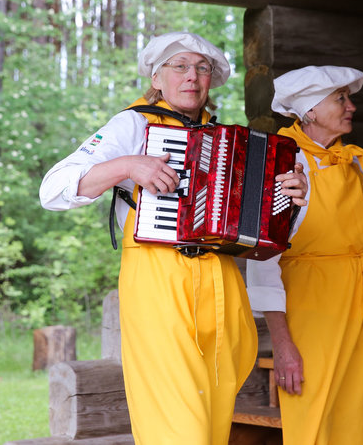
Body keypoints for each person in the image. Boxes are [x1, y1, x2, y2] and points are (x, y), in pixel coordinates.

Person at [39, 31, 307, 445]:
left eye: (202, 69)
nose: (192, 76)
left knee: (214, 424)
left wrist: (289, 200)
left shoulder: (228, 139)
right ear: (157, 78)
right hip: (158, 282)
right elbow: (52, 190)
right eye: (179, 66)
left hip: (221, 286)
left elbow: (265, 233)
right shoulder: (133, 123)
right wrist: (129, 164)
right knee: (180, 429)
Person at [246, 65, 363, 445]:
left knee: (355, 424)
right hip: (310, 317)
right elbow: (262, 267)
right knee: (312, 427)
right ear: (309, 112)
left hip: (357, 313)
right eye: (340, 98)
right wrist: (283, 347)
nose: (351, 106)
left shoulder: (352, 162)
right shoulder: (279, 164)